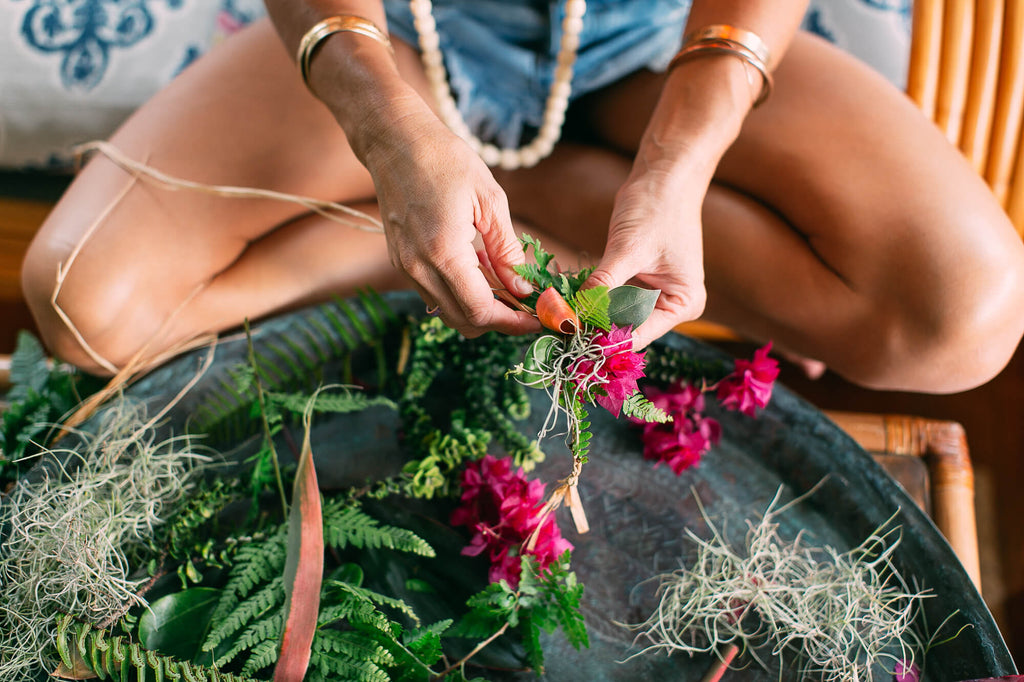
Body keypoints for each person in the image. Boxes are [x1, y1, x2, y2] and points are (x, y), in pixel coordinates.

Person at [19, 0, 1024, 394]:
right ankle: (397, 223)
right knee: (80, 302)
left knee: (963, 317)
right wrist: (389, 138)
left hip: (665, 40)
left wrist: (679, 165)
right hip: (392, 38)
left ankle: (524, 195)